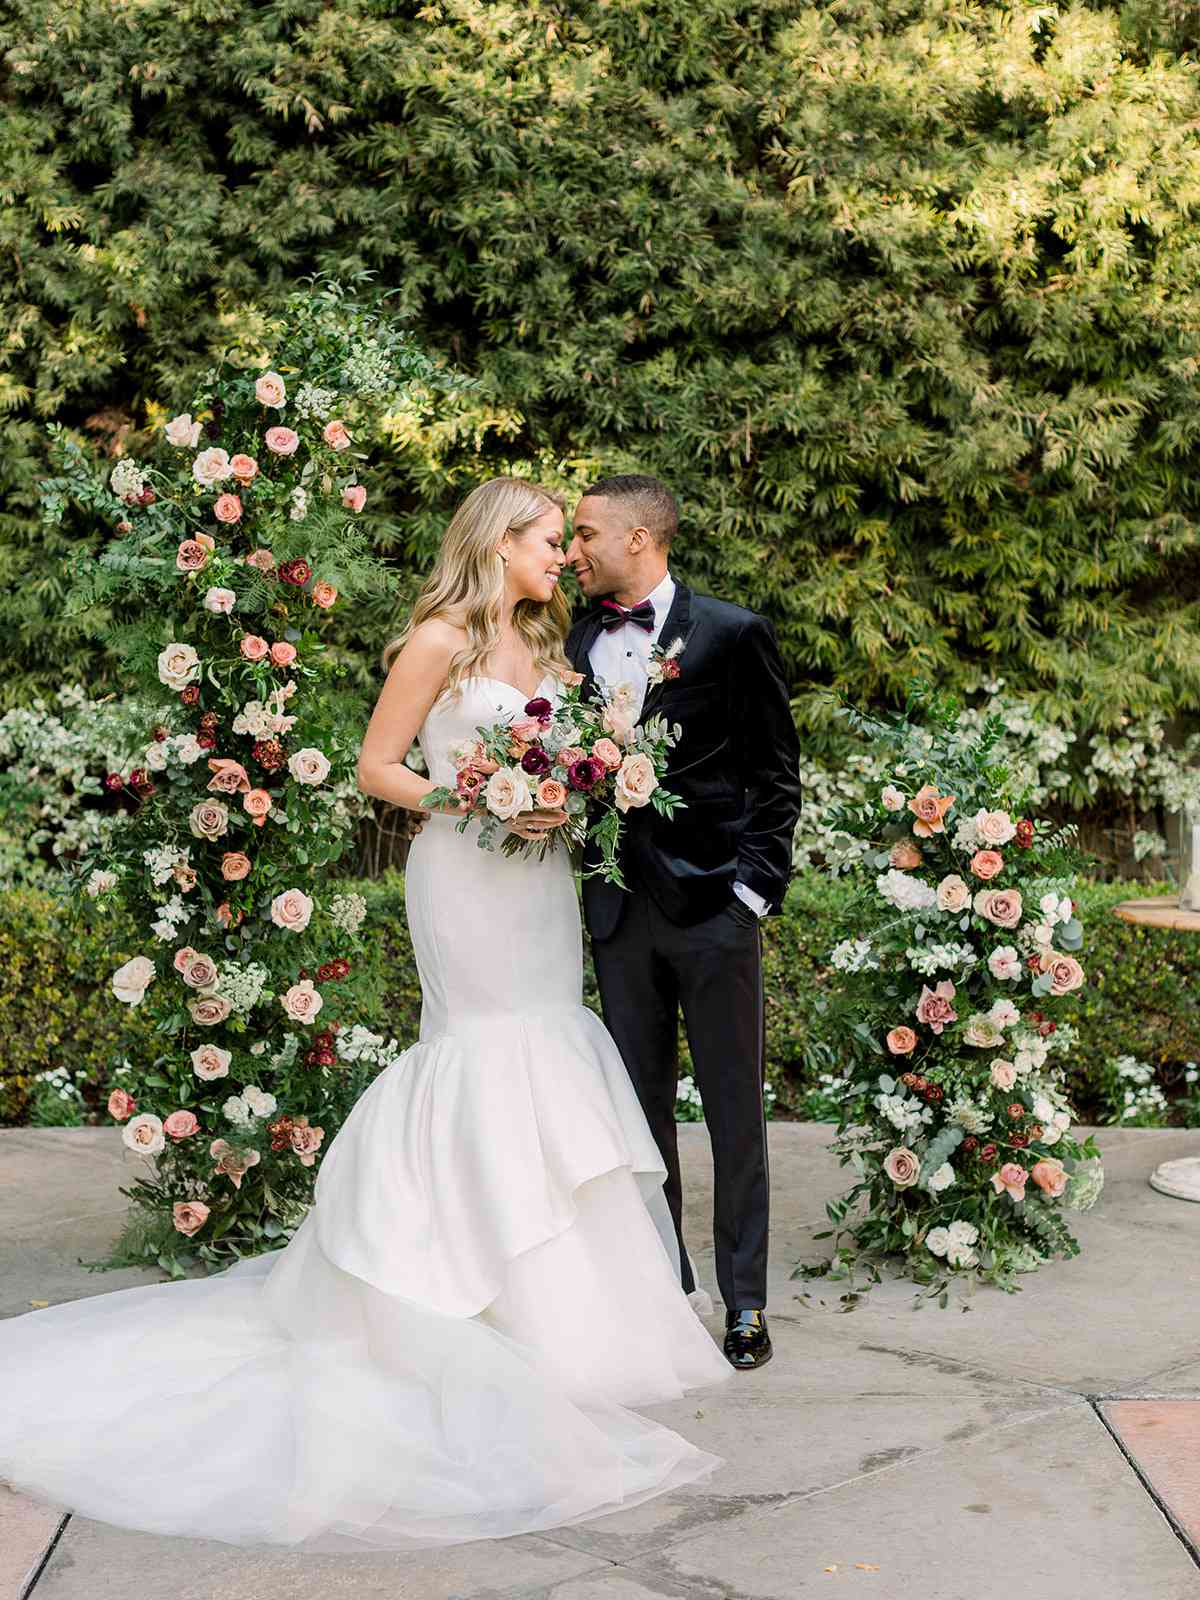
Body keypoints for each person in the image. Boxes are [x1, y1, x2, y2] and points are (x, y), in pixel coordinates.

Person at [0, 477, 732, 1553]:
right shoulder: (438, 639)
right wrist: (476, 796)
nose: (561, 558)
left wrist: (576, 786)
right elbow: (376, 767)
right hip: (468, 874)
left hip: (535, 882)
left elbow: (572, 758)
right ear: (498, 544)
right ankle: (457, 1287)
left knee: (547, 1046)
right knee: (483, 1052)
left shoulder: (548, 643)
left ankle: (580, 1321)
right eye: (544, 541)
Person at [566, 474, 802, 1371]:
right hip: (620, 913)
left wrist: (752, 894)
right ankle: (665, 1289)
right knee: (639, 1114)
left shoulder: (734, 635)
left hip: (713, 912)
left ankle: (746, 1304)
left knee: (736, 1111)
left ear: (639, 539)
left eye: (586, 534)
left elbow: (775, 775)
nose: (574, 551)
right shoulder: (577, 637)